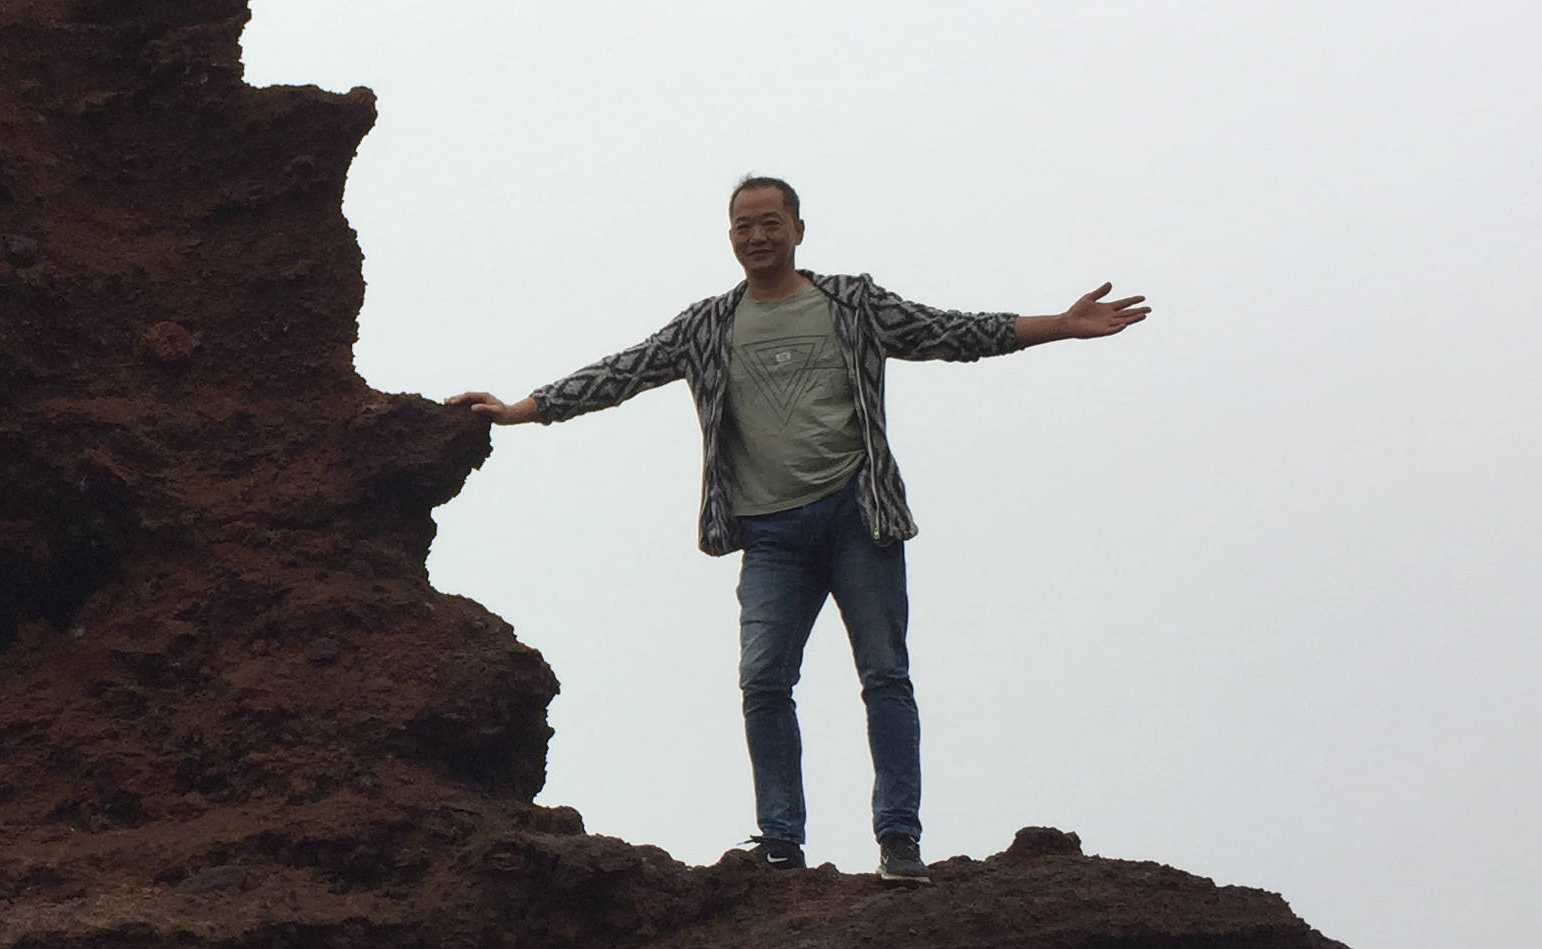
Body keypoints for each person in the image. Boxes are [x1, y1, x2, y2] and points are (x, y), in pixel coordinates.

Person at [448, 176, 1147, 884]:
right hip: (770, 534)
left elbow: (955, 333)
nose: (757, 236)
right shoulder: (708, 326)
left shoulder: (851, 303)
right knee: (763, 681)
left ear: (798, 230)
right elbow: (622, 372)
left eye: (770, 222)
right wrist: (522, 410)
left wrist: (1061, 324)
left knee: (884, 675)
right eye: (743, 226)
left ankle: (899, 840)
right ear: (730, 238)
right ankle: (781, 840)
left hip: (857, 517)